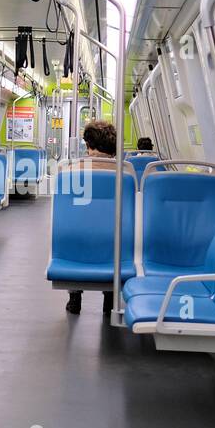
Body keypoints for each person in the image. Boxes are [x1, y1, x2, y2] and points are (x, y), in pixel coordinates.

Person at [66, 120, 118, 316]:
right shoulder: (126, 173)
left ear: (88, 145)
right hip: (115, 240)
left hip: (78, 237)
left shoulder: (71, 171)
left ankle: (74, 296)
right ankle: (109, 298)